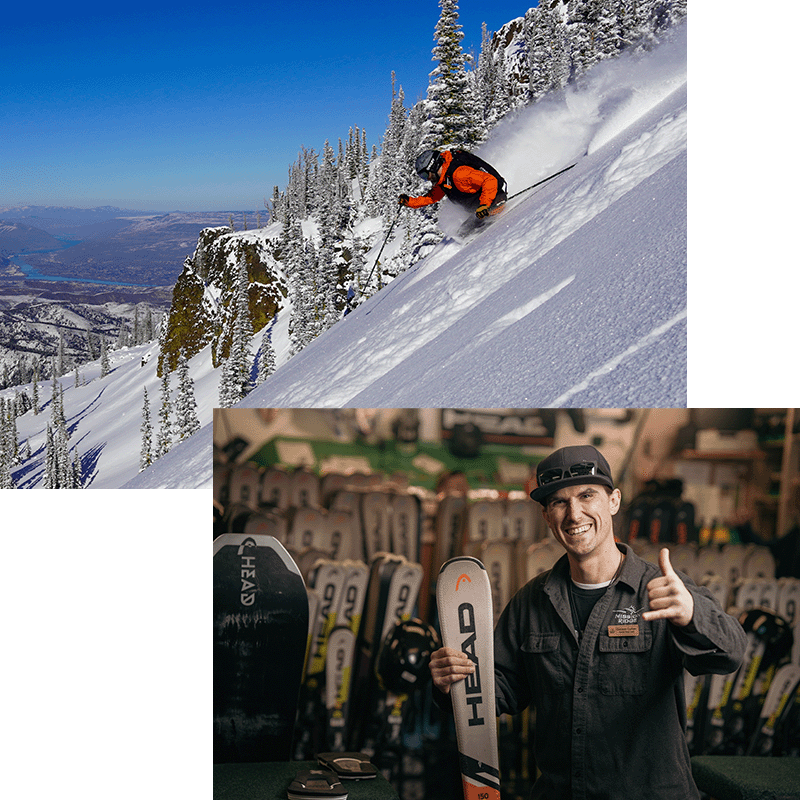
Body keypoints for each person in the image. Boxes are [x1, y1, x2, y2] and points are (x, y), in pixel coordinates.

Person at [430, 444, 746, 800]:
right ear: (547, 516)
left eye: (586, 495)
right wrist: (451, 683)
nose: (574, 514)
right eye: (559, 502)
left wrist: (692, 616)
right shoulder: (532, 602)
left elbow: (731, 654)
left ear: (613, 501)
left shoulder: (662, 590)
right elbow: (498, 692)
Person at [399, 149, 508, 220]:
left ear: (433, 167)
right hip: (480, 211)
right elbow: (432, 197)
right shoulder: (444, 180)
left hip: (493, 203)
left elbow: (490, 180)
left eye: (425, 175)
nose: (427, 179)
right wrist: (410, 202)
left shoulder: (459, 174)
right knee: (461, 235)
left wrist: (485, 204)